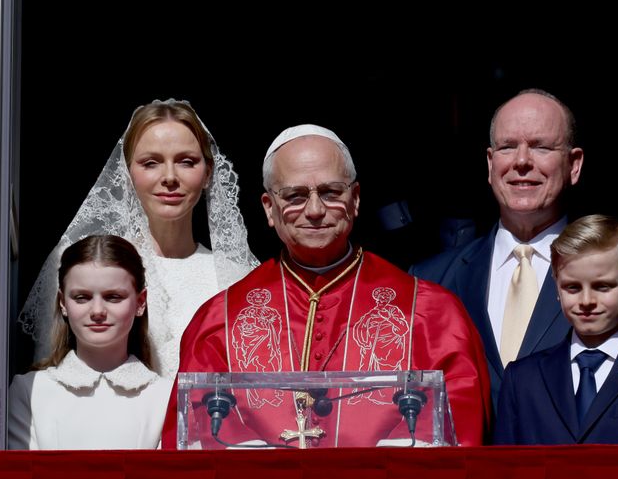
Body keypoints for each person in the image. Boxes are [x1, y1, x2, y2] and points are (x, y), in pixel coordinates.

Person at [163, 125, 491, 448]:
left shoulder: (431, 315)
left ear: (355, 199)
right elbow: (192, 448)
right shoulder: (221, 322)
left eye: (331, 193)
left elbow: (461, 443)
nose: (315, 210)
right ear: (269, 208)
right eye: (295, 196)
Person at [411, 89, 618, 414]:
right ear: (490, 164)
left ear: (574, 165)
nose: (521, 161)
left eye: (541, 147)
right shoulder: (431, 280)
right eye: (507, 147)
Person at [19, 100, 259, 376]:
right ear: (127, 172)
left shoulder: (237, 277)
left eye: (186, 162)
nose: (170, 177)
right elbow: (51, 376)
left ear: (207, 173)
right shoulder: (79, 266)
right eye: (151, 163)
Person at [492, 215, 618, 445]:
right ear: (556, 287)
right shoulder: (522, 379)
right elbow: (505, 466)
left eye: (602, 286)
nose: (586, 301)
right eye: (572, 287)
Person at [8, 234, 171, 449]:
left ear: (140, 303)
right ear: (62, 303)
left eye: (113, 297)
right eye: (82, 297)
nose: (97, 311)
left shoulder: (165, 397)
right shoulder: (30, 391)